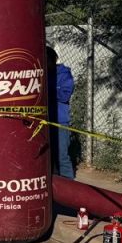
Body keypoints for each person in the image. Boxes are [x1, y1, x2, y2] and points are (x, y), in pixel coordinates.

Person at [47, 46, 76, 178]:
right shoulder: (40, 74)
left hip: (59, 121)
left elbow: (64, 96)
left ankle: (69, 188)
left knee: (62, 156)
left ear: (52, 60)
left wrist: (47, 90)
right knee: (47, 156)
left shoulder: (64, 75)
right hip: (43, 120)